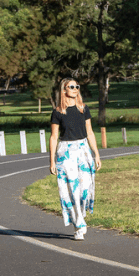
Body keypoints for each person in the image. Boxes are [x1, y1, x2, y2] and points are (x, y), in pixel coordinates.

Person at [48, 78, 102, 240]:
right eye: (71, 87)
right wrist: (51, 161)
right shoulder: (58, 112)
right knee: (71, 190)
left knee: (85, 187)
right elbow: (53, 137)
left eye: (77, 86)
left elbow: (90, 132)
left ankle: (80, 217)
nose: (75, 89)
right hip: (66, 152)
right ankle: (78, 224)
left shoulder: (83, 109)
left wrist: (96, 154)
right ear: (64, 90)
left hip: (83, 150)